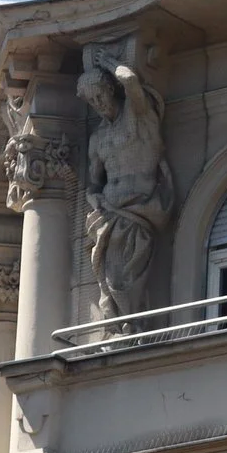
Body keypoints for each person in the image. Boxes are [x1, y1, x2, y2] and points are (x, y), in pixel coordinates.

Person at [78, 56, 176, 321]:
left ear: (111, 89)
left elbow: (130, 80)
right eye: (92, 101)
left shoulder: (137, 117)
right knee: (112, 278)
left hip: (138, 212)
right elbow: (94, 183)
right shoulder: (97, 139)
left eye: (100, 95)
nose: (98, 104)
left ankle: (132, 328)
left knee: (125, 280)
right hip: (110, 214)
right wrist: (94, 199)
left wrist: (110, 60)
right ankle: (125, 328)